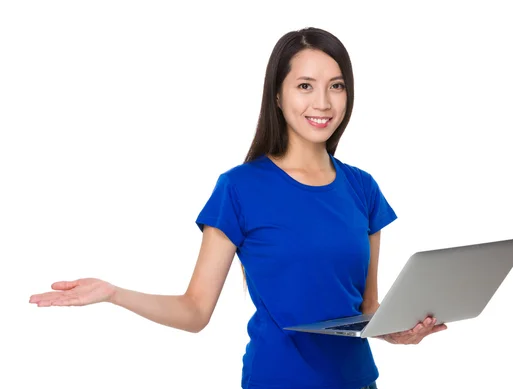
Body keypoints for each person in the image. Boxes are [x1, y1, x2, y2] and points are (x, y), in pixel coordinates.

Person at [30, 27, 447, 389]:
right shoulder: (240, 188)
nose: (322, 102)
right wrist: (114, 294)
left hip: (360, 382)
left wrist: (399, 333)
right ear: (278, 96)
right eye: (305, 85)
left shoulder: (363, 188)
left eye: (336, 86)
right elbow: (195, 311)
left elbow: (366, 310)